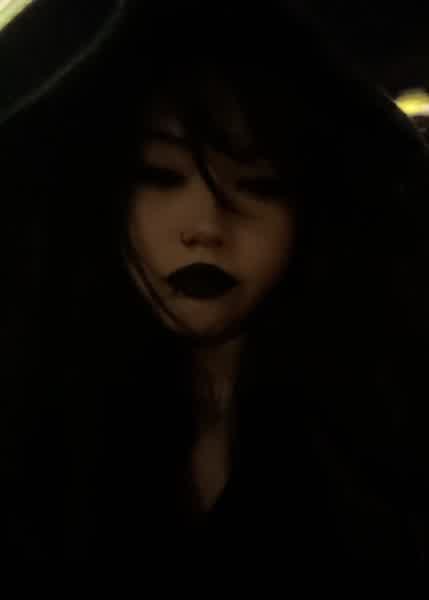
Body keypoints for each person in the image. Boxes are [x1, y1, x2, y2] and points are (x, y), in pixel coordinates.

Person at [2, 1, 429, 562]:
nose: (206, 227)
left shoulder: (390, 427)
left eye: (258, 185)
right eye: (160, 176)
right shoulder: (34, 421)